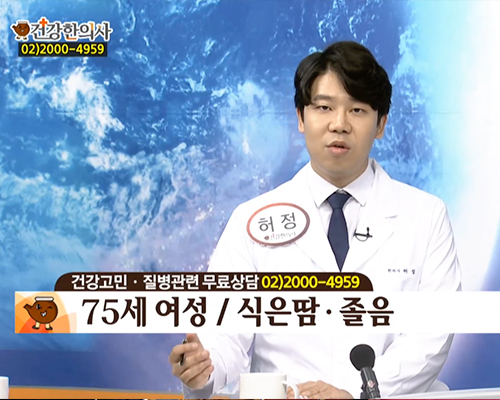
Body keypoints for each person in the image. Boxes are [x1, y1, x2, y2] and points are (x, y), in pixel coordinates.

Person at [168, 41, 461, 399]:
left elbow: (431, 334)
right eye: (324, 107)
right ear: (300, 117)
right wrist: (203, 368)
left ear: (381, 123)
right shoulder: (250, 221)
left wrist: (355, 393)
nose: (339, 124)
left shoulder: (426, 217)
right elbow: (224, 334)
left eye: (357, 110)